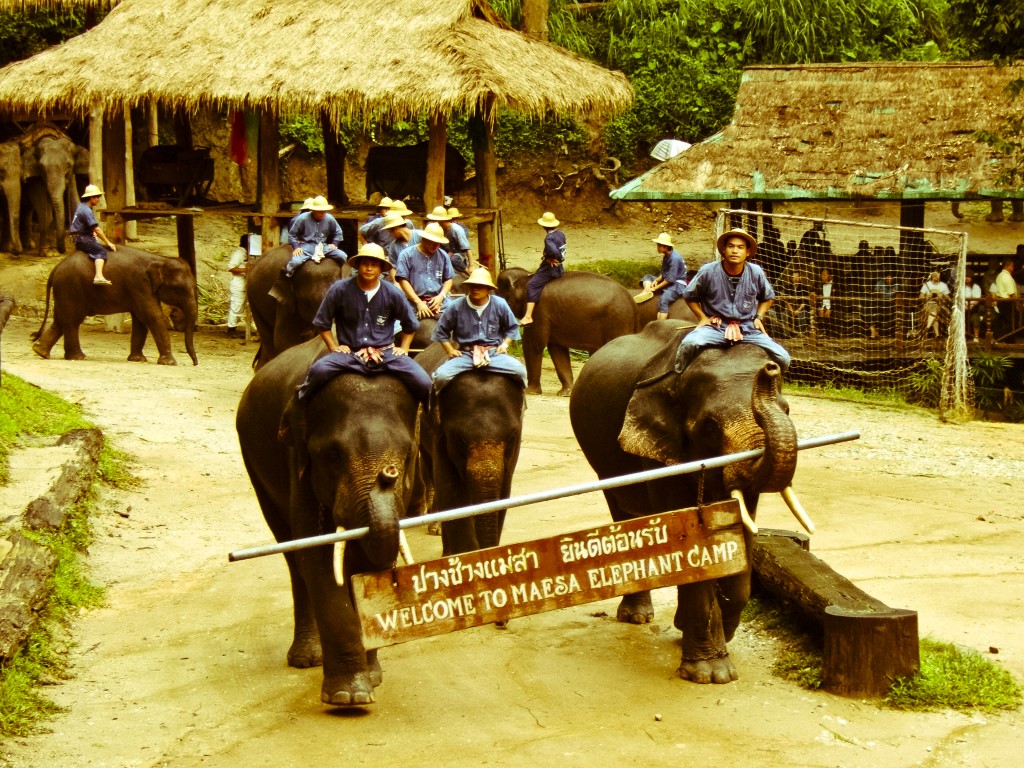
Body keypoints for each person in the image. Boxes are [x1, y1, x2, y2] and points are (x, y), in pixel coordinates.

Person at [293, 243, 430, 404]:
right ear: (358, 266)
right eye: (365, 263)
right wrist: (333, 347)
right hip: (349, 353)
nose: (369, 268)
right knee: (317, 371)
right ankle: (299, 406)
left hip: (385, 354)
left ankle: (427, 416)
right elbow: (322, 322)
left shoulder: (393, 293)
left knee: (424, 382)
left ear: (381, 269)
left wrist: (404, 348)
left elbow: (410, 324)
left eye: (374, 265)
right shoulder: (339, 290)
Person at [674, 228, 790, 373]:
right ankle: (677, 376)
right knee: (689, 344)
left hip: (747, 328)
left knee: (784, 357)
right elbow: (689, 295)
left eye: (740, 247)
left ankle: (771, 387)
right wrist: (702, 318)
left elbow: (768, 297)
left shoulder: (756, 272)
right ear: (723, 249)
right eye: (731, 246)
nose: (735, 251)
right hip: (716, 327)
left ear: (747, 252)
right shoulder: (708, 271)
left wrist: (759, 317)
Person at [430, 267, 527, 393]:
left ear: (488, 288)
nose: (475, 289)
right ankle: (431, 407)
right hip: (465, 354)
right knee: (441, 376)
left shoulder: (500, 304)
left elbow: (512, 327)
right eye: (472, 285)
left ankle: (521, 406)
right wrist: (450, 350)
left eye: (480, 286)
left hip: (493, 354)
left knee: (520, 371)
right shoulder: (456, 306)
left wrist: (504, 344)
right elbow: (441, 331)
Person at [395, 221, 455, 319]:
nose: (436, 246)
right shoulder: (406, 254)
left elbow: (449, 279)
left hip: (438, 299)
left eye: (438, 243)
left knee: (460, 318)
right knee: (398, 324)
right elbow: (402, 280)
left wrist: (441, 296)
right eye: (433, 243)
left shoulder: (443, 255)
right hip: (413, 300)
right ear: (424, 239)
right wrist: (418, 302)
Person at [520, 211, 566, 326]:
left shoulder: (549, 238)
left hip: (550, 269)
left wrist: (552, 257)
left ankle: (528, 316)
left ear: (543, 226)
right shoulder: (561, 234)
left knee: (532, 285)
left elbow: (554, 251)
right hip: (559, 267)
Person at [283, 195, 346, 277]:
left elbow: (338, 232)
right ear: (313, 210)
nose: (322, 214)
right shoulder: (302, 218)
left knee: (342, 256)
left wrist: (334, 243)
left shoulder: (329, 218)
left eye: (324, 211)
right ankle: (286, 275)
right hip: (306, 246)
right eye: (320, 211)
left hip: (322, 246)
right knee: (295, 262)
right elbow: (292, 234)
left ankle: (340, 274)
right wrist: (296, 246)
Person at [69, 183, 117, 285]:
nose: (98, 199)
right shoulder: (86, 210)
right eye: (96, 197)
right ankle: (98, 276)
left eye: (98, 197)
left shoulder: (82, 206)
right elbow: (97, 229)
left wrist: (90, 232)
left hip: (80, 236)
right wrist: (108, 242)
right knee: (101, 251)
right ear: (90, 198)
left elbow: (82, 224)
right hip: (82, 238)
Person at [641, 232, 688, 320]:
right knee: (648, 277)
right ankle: (647, 291)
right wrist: (656, 281)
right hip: (669, 280)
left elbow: (670, 279)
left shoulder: (674, 259)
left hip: (677, 284)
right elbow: (663, 274)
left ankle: (660, 323)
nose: (657, 248)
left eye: (659, 245)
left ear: (665, 247)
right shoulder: (666, 256)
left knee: (664, 300)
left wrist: (655, 288)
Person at [989, 258, 1019, 339]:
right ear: (1007, 266)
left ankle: (1002, 338)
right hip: (1007, 301)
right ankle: (1003, 338)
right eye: (1012, 266)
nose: (1013, 268)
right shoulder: (1006, 277)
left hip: (1002, 301)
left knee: (1006, 321)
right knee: (1012, 321)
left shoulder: (1000, 275)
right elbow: (1011, 292)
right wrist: (1017, 302)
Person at [226, 234, 250, 338]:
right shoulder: (239, 253)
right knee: (237, 305)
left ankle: (234, 327)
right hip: (239, 282)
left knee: (241, 305)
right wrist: (247, 270)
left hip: (244, 281)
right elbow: (231, 268)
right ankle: (231, 329)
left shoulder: (246, 253)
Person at [919, 270, 950, 338]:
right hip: (928, 305)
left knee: (934, 311)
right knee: (934, 312)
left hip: (940, 305)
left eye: (937, 274)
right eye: (934, 274)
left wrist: (940, 296)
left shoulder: (943, 285)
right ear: (931, 275)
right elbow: (921, 297)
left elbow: (949, 299)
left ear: (939, 275)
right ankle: (935, 333)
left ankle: (927, 329)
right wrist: (927, 296)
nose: (936, 276)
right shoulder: (926, 285)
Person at [444, 206, 474, 274]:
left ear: (457, 219)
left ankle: (467, 272)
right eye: (451, 219)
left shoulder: (459, 229)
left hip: (459, 252)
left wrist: (471, 265)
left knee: (454, 259)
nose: (453, 220)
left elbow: (466, 248)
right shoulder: (446, 228)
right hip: (449, 251)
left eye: (455, 218)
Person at [963, 271, 983, 343]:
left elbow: (977, 299)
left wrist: (972, 305)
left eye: (969, 277)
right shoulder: (960, 287)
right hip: (963, 308)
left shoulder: (976, 287)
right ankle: (962, 336)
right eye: (965, 276)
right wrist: (965, 306)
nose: (967, 278)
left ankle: (976, 336)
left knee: (975, 318)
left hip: (974, 308)